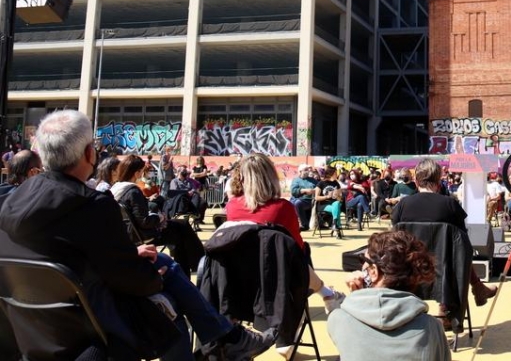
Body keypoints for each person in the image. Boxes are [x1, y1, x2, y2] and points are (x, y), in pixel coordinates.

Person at [0, 110, 274, 360]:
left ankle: (227, 337)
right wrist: (154, 278)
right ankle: (227, 338)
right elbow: (127, 278)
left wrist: (133, 256)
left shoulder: (13, 199)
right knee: (168, 305)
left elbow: (67, 254)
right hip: (90, 326)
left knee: (162, 270)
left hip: (31, 326)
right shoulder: (92, 204)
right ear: (89, 154)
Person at [223, 154, 346, 358]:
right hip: (280, 282)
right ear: (271, 177)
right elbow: (295, 250)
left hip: (242, 283)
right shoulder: (283, 208)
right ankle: (324, 296)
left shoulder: (232, 206)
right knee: (301, 253)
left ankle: (326, 295)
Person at [328, 230, 451, 361]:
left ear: (373, 271)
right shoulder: (432, 328)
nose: (361, 265)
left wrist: (357, 295)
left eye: (363, 260)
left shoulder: (339, 320)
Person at [391, 159, 497, 306]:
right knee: (462, 248)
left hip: (409, 267)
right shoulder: (449, 204)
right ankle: (450, 306)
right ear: (438, 181)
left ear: (416, 181)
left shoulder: (403, 205)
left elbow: (395, 233)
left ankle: (478, 288)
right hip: (443, 268)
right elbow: (462, 240)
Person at [112, 155, 205, 276]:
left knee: (181, 229)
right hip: (143, 234)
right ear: (136, 173)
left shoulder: (116, 189)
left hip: (129, 233)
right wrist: (159, 217)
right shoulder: (133, 191)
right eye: (141, 171)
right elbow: (144, 221)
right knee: (182, 229)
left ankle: (192, 266)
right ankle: (197, 264)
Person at [289, 163, 317, 231]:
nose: (307, 171)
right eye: (305, 170)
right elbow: (293, 191)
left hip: (310, 200)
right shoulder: (296, 180)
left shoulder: (313, 180)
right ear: (300, 171)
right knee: (292, 203)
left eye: (308, 170)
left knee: (298, 203)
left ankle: (304, 225)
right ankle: (293, 224)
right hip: (299, 198)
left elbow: (319, 188)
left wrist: (313, 191)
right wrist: (303, 190)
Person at [314, 166, 341, 230]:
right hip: (323, 205)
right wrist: (327, 196)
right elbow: (316, 198)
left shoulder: (336, 183)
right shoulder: (321, 183)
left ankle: (334, 224)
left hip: (334, 203)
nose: (337, 175)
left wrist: (337, 196)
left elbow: (340, 199)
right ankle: (337, 225)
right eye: (335, 173)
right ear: (330, 174)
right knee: (336, 208)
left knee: (337, 203)